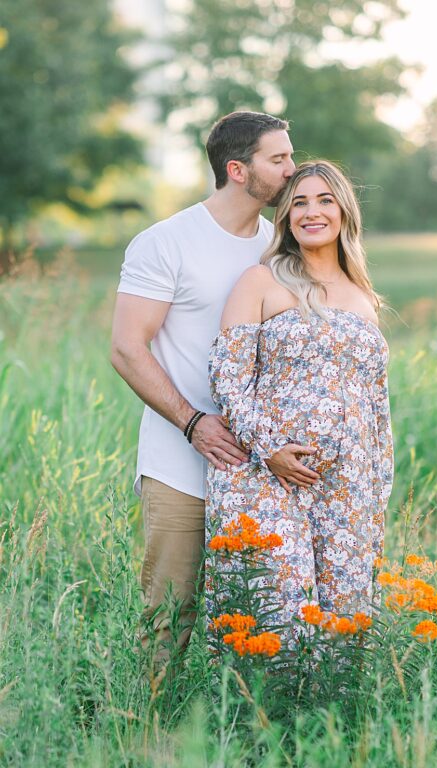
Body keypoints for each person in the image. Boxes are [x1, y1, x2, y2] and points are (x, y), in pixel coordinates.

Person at [111, 111, 295, 676]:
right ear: (238, 170)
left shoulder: (278, 247)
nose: (292, 169)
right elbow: (126, 349)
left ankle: (233, 735)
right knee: (170, 613)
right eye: (279, 159)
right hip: (180, 463)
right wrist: (194, 423)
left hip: (262, 467)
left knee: (259, 613)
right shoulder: (166, 242)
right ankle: (147, 738)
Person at [206, 160, 393, 640]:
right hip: (266, 477)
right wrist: (269, 450)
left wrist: (377, 486)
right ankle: (258, 714)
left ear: (344, 212)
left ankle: (331, 718)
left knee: (344, 620)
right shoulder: (261, 281)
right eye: (300, 203)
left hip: (348, 487)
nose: (312, 212)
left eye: (325, 200)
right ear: (286, 217)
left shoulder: (362, 296)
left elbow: (376, 405)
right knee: (276, 613)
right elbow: (228, 378)